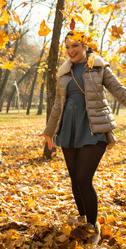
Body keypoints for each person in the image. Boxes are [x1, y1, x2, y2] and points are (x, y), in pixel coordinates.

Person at [40, 30, 126, 244]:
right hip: (69, 129)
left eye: (75, 46)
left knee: (83, 178)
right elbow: (58, 105)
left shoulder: (98, 67)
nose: (71, 51)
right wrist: (49, 131)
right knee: (74, 179)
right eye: (68, 47)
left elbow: (119, 91)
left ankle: (92, 224)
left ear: (85, 46)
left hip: (93, 129)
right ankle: (82, 218)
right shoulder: (64, 73)